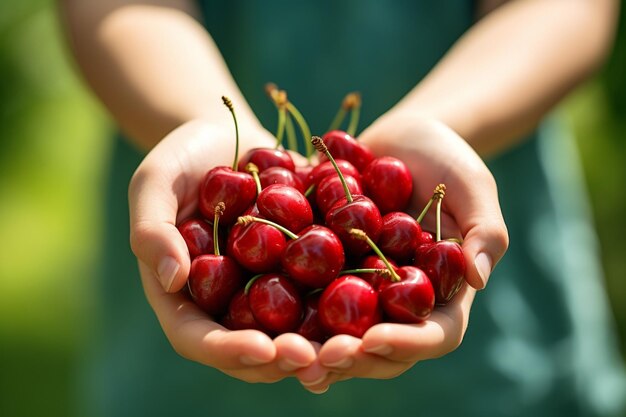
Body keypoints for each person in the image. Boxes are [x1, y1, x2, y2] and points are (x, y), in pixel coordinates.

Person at [59, 0, 626, 416]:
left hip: (496, 363)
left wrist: (448, 124)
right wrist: (198, 118)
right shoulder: (229, 228)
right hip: (192, 382)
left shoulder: (401, 225)